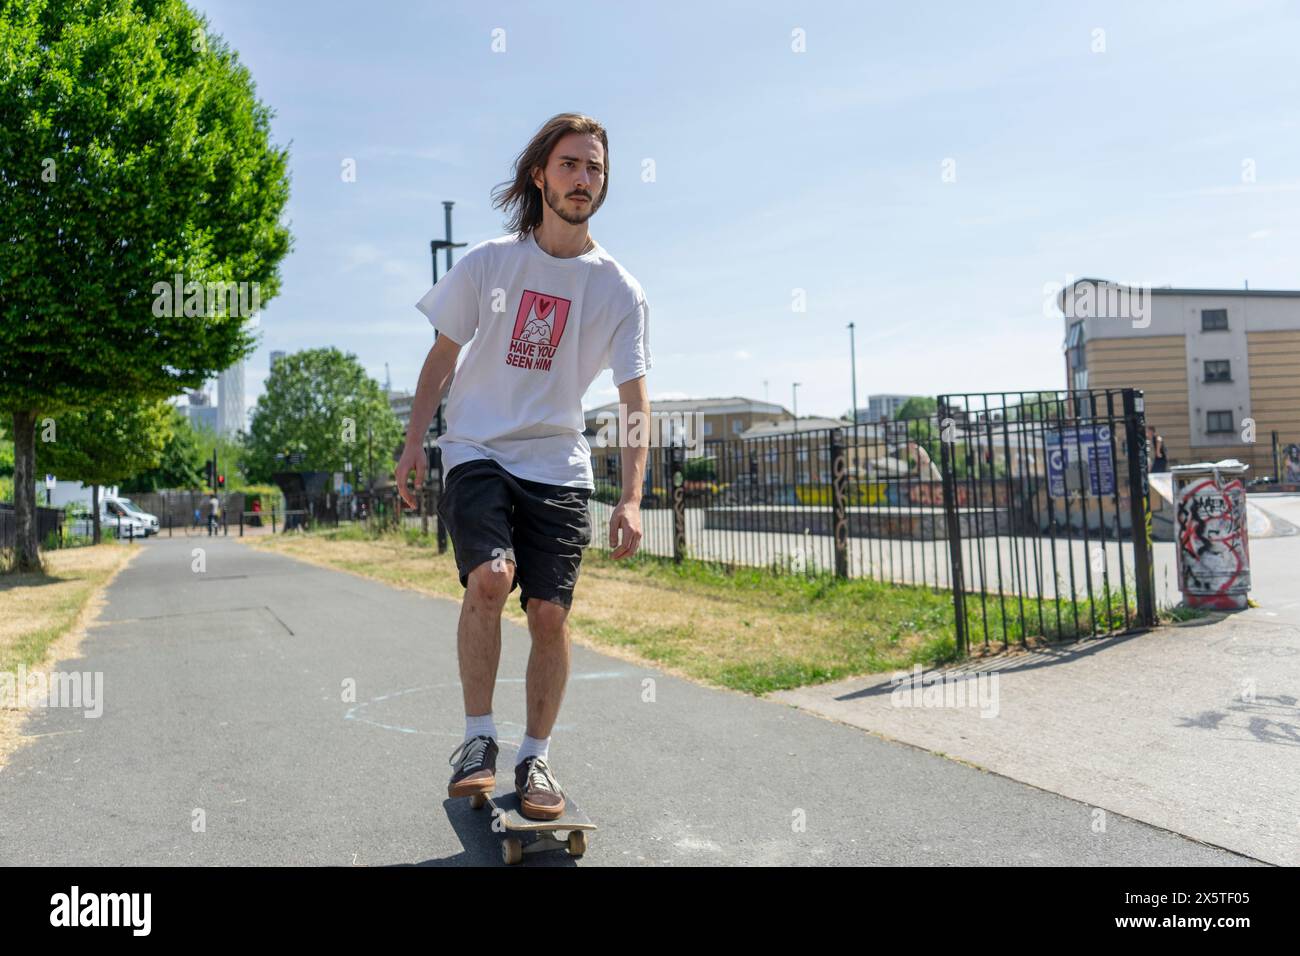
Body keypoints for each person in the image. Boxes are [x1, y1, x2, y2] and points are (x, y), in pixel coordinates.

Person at [395, 113, 651, 821]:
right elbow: (440, 360)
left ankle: (534, 755)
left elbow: (634, 400)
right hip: (477, 447)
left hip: (558, 464)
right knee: (492, 577)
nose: (583, 179)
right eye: (570, 165)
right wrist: (416, 443)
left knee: (548, 612)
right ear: (541, 174)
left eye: (595, 168)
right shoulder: (489, 262)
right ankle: (479, 741)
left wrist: (630, 497)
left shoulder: (619, 290)